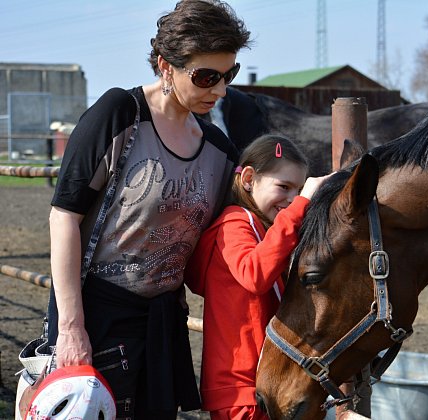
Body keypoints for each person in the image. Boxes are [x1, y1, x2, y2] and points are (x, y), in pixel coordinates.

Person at [46, 1, 251, 418]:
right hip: (97, 318)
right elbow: (64, 215)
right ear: (165, 65)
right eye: (206, 77)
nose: (221, 90)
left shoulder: (219, 151)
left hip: (163, 324)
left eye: (229, 75)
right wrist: (71, 327)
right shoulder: (120, 114)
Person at [185, 135, 332, 419]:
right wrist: (301, 206)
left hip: (266, 382)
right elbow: (255, 275)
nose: (291, 198)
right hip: (241, 387)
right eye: (284, 186)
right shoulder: (235, 222)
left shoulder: (264, 231)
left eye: (299, 190)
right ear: (249, 179)